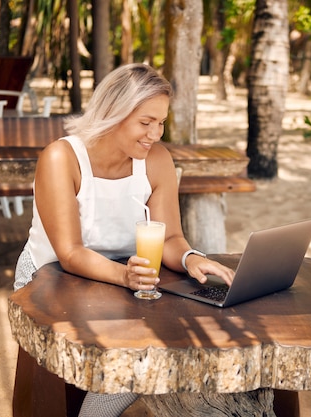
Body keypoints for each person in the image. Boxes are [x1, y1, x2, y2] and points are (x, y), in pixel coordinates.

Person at [13, 63, 235, 417]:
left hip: (121, 278)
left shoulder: (156, 160)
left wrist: (192, 257)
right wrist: (125, 278)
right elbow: (69, 253)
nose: (155, 134)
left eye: (161, 123)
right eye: (145, 123)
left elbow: (171, 237)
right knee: (141, 348)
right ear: (113, 113)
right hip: (50, 277)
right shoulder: (62, 158)